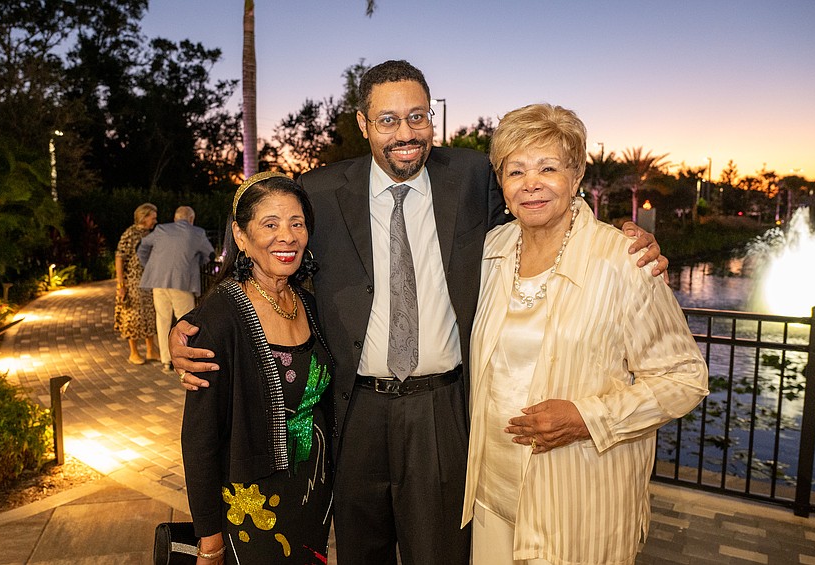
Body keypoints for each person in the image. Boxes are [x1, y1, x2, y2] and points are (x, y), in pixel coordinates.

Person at [172, 60, 667, 565]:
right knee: (362, 553)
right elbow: (270, 256)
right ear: (363, 125)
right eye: (387, 120)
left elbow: (542, 204)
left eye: (417, 117)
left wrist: (617, 235)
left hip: (442, 409)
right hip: (355, 412)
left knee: (442, 553)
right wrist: (191, 327)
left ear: (431, 119)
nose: (405, 133)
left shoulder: (473, 176)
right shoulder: (319, 191)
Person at [460, 103, 709, 565]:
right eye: (515, 171)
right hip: (492, 496)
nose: (531, 183)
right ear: (502, 184)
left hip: (579, 502)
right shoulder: (490, 251)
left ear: (576, 176)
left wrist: (586, 417)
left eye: (548, 167)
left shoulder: (624, 260)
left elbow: (685, 377)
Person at [181, 172, 334, 564]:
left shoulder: (309, 304)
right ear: (242, 237)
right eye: (270, 224)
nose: (287, 236)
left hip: (311, 505)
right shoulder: (220, 317)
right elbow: (199, 440)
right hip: (251, 515)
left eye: (296, 224)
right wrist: (210, 542)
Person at [137, 205, 214, 372]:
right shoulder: (197, 233)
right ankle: (186, 358)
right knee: (186, 320)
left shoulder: (160, 229)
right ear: (191, 219)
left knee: (163, 319)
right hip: (182, 282)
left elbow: (143, 246)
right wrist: (196, 263)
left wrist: (149, 265)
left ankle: (166, 360)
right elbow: (210, 254)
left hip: (158, 281)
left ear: (175, 218)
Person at [113, 202, 158, 365]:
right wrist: (121, 284)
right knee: (132, 316)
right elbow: (119, 257)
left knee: (148, 315)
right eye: (153, 217)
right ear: (144, 217)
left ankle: (151, 350)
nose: (155, 221)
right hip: (133, 281)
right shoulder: (130, 234)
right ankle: (134, 352)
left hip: (148, 281)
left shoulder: (149, 234)